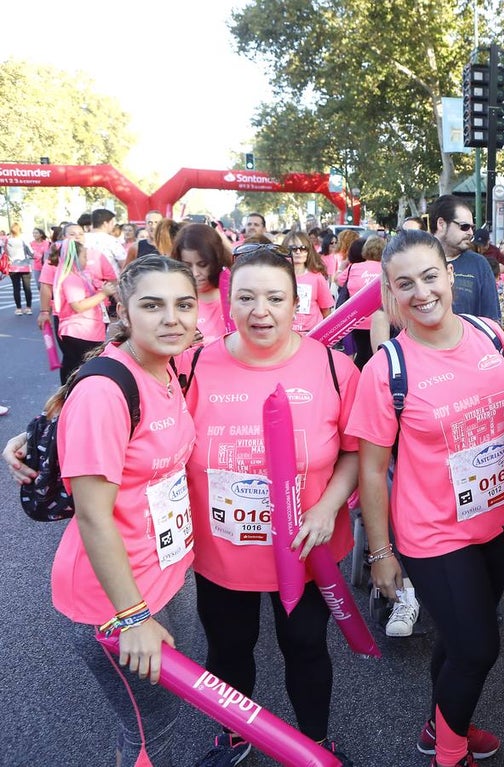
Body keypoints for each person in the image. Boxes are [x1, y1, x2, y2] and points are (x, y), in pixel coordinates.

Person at [6, 256, 200, 766]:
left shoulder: (168, 364)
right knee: (150, 732)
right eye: (152, 306)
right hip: (115, 599)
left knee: (166, 717)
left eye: (183, 305)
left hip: (161, 573)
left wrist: (31, 436)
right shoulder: (106, 390)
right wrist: (131, 617)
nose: (171, 319)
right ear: (123, 310)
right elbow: (93, 516)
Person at [349, 229, 504, 767]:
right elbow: (372, 468)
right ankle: (448, 755)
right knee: (479, 647)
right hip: (433, 535)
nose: (422, 292)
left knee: (456, 642)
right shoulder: (387, 369)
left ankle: (441, 723)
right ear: (389, 291)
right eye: (405, 284)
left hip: (496, 522)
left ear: (450, 276)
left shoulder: (489, 334)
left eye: (431, 277)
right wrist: (381, 555)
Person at [183, 243, 359, 765]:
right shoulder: (191, 364)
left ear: (296, 303)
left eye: (275, 298)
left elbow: (354, 453)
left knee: (305, 647)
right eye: (247, 297)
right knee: (227, 650)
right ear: (227, 300)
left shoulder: (334, 368)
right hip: (222, 551)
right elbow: (130, 408)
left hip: (308, 548)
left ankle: (315, 742)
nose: (261, 311)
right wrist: (36, 440)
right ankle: (235, 734)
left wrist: (327, 508)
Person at [54, 238, 117, 384]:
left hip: (87, 331)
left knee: (78, 367)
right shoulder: (71, 279)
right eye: (84, 257)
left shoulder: (80, 276)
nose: (86, 260)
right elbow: (78, 305)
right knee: (77, 369)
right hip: (80, 332)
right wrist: (103, 294)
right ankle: (71, 396)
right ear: (74, 257)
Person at [427, 195, 500, 322]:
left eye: (472, 227)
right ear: (441, 224)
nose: (471, 233)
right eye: (464, 226)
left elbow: (492, 321)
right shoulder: (416, 262)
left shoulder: (479, 264)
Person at [172, 223, 233, 347]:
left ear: (216, 259)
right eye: (187, 265)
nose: (195, 273)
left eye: (203, 264)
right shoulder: (172, 298)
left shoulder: (236, 294)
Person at [337, 234, 383, 369]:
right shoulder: (386, 269)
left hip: (357, 319)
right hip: (381, 321)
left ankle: (359, 380)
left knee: (361, 353)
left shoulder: (353, 268)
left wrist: (342, 266)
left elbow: (339, 281)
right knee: (377, 355)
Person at [284, 229, 335, 333]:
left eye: (303, 248)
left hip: (312, 333)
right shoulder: (278, 277)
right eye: (293, 248)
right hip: (286, 333)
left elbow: (326, 310)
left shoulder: (317, 277)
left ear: (308, 251)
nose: (298, 252)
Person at [5, 222, 34, 314]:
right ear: (20, 230)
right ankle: (28, 308)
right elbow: (31, 253)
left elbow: (4, 253)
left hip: (13, 267)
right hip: (25, 266)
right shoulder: (24, 240)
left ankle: (18, 309)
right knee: (27, 288)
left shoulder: (7, 241)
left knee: (16, 288)